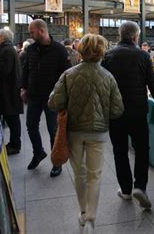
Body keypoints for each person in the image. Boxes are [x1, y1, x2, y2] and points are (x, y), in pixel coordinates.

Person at [48, 34, 124, 232]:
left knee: (79, 173)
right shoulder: (108, 77)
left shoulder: (69, 74)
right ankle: (91, 216)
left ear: (80, 50)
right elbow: (117, 110)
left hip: (74, 131)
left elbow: (54, 102)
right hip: (98, 132)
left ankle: (82, 213)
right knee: (94, 175)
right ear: (101, 51)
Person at [102, 21, 154, 209]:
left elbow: (101, 86)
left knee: (119, 151)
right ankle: (140, 186)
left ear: (120, 35)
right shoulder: (143, 56)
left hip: (115, 114)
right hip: (138, 112)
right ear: (135, 37)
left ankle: (125, 190)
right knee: (142, 150)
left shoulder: (108, 56)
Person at [21, 19, 71, 177]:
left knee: (53, 130)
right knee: (30, 125)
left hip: (52, 97)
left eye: (32, 32)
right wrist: (23, 88)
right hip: (34, 96)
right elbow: (26, 70)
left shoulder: (59, 50)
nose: (30, 35)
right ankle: (38, 153)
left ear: (41, 30)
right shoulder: (31, 49)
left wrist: (63, 96)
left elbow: (66, 75)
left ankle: (57, 162)